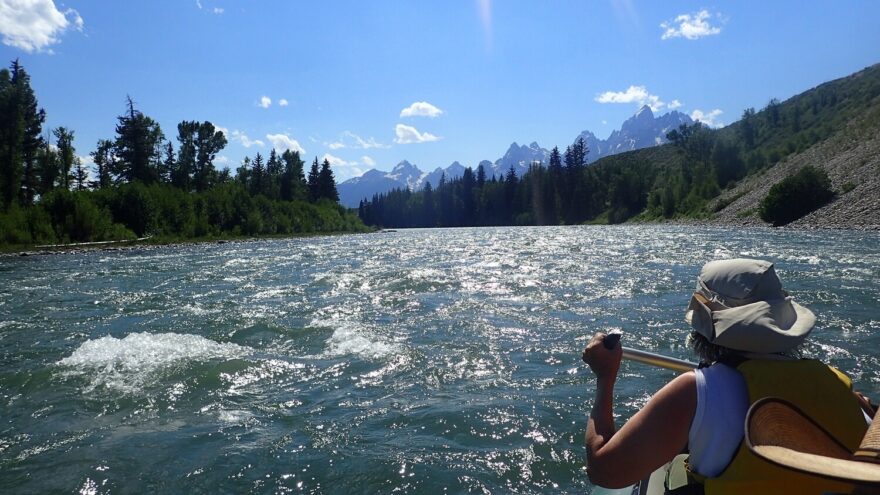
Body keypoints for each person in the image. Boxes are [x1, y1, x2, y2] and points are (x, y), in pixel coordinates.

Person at [582, 258, 875, 494]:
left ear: (703, 328)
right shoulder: (837, 382)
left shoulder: (697, 391)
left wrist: (605, 377)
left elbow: (604, 471)